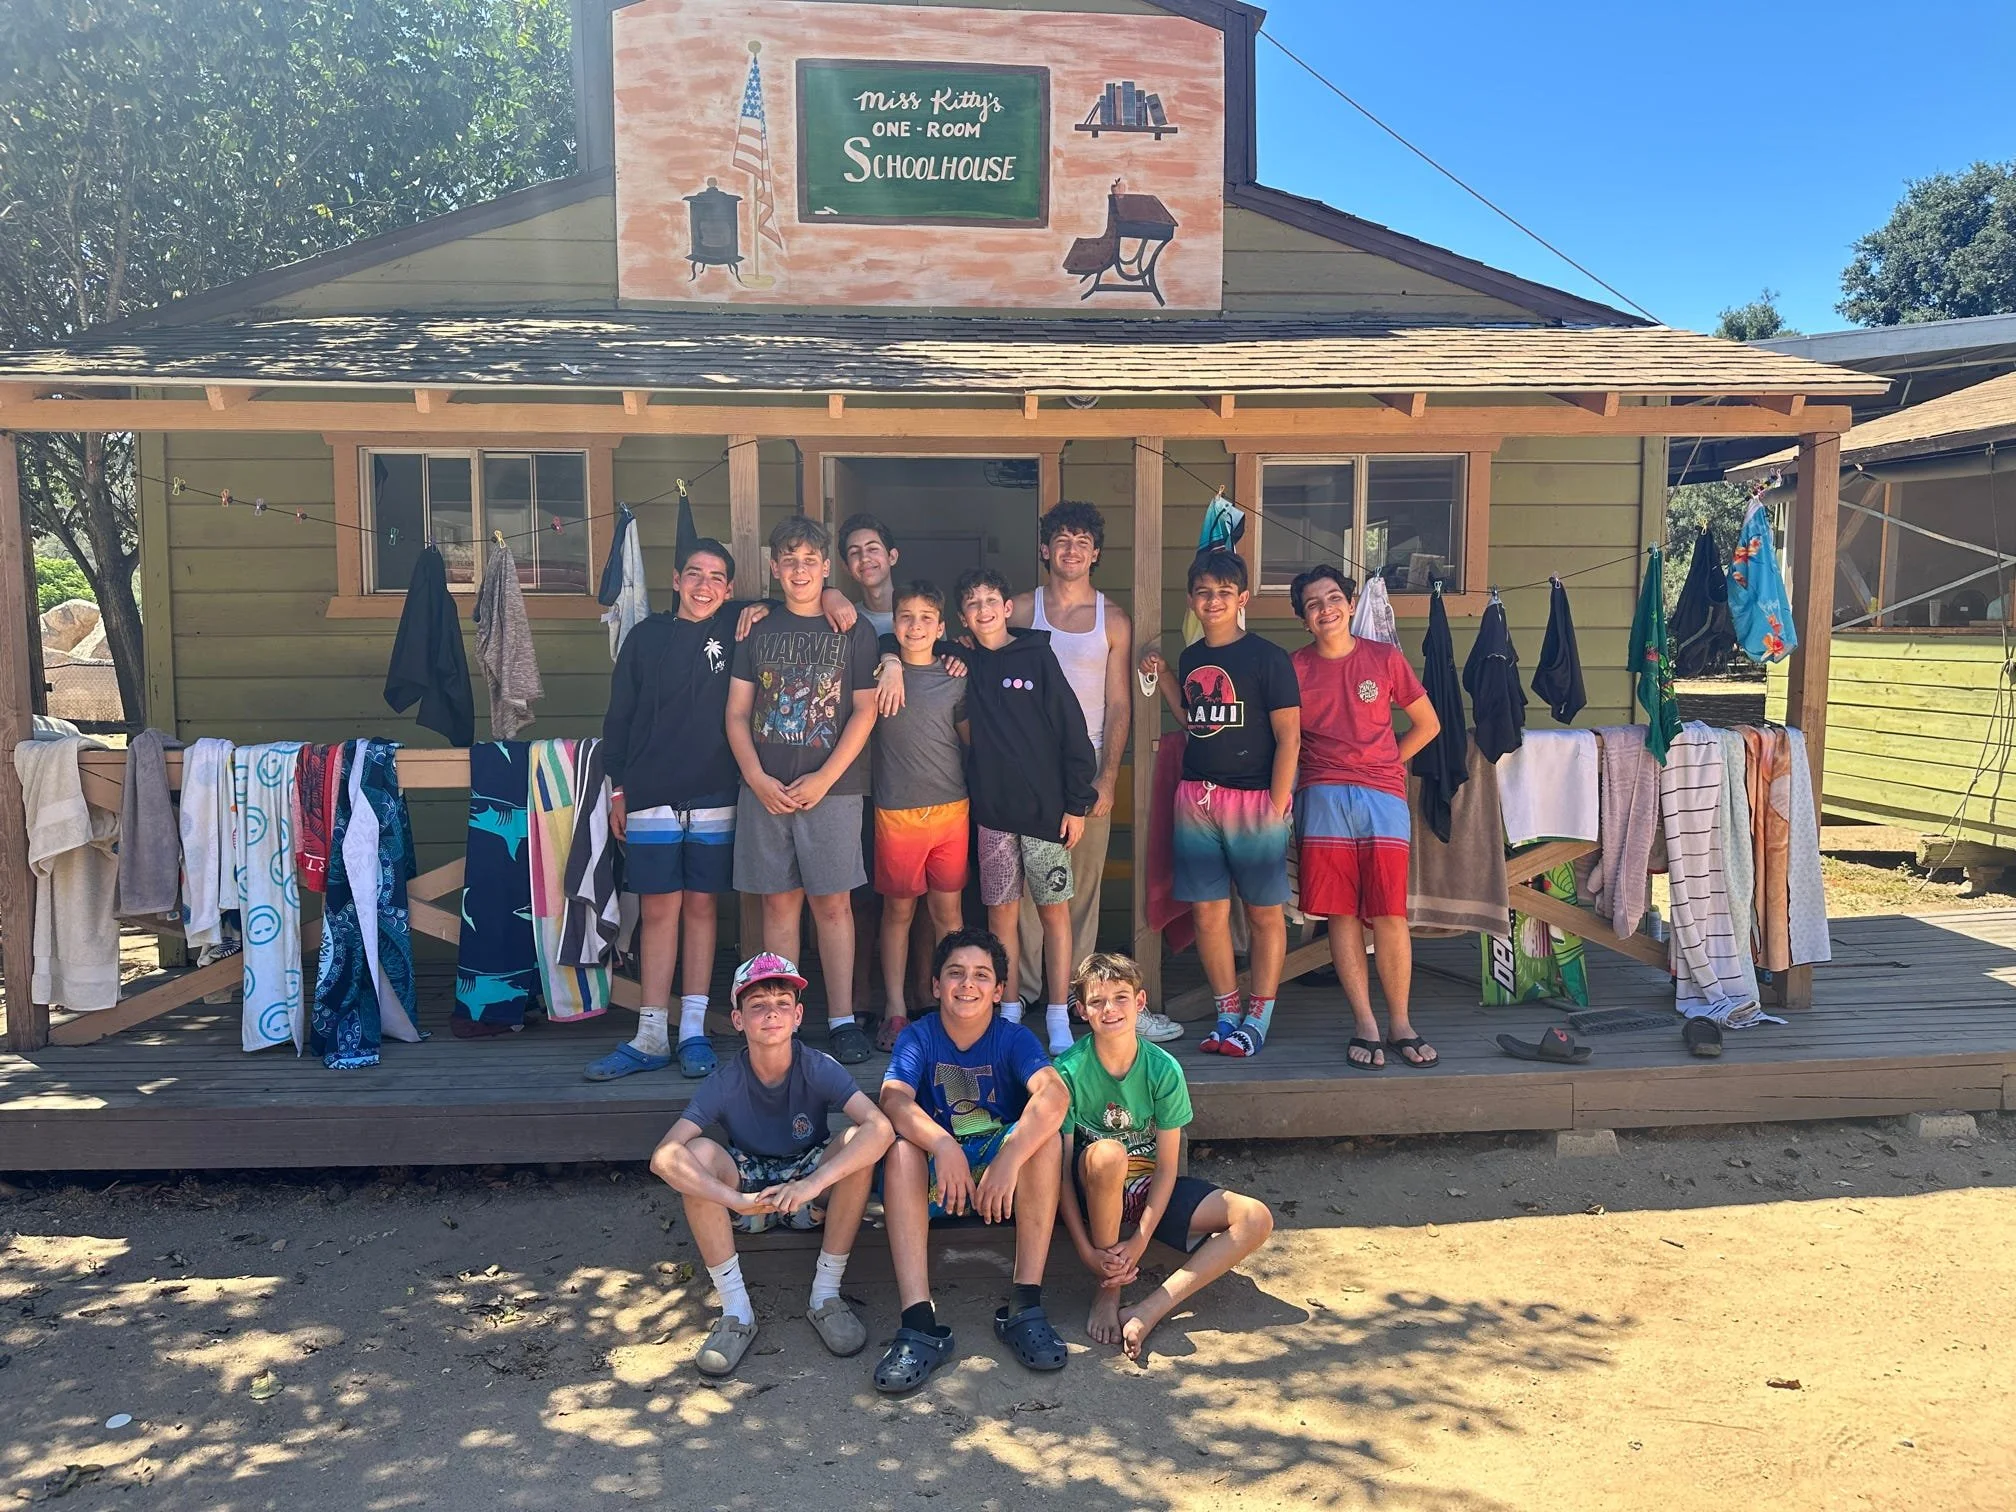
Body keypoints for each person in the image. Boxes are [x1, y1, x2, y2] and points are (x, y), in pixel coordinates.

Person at [587, 537, 853, 1082]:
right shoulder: (645, 638)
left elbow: (795, 598)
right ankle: (650, 1033)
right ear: (676, 579)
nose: (704, 585)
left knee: (704, 910)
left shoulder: (742, 625)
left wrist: (832, 596)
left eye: (716, 578)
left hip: (716, 793)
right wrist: (618, 789)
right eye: (693, 574)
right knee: (659, 911)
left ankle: (692, 1030)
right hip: (650, 792)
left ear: (730, 588)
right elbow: (619, 719)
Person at [647, 953, 895, 1377]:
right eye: (758, 1005)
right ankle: (736, 1312)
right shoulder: (725, 1080)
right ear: (738, 1020)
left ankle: (826, 1296)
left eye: (782, 1004)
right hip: (751, 1191)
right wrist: (735, 1199)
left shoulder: (818, 1065)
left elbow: (882, 1129)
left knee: (858, 1142)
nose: (771, 1015)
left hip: (809, 1190)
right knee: (699, 1154)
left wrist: (814, 1183)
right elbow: (664, 1156)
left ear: (798, 1016)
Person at [874, 927, 1071, 1395]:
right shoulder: (919, 1037)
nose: (968, 984)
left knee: (1045, 1141)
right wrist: (942, 1145)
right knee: (902, 1152)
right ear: (936, 985)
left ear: (999, 990)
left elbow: (1055, 1094)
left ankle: (1025, 1305)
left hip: (994, 1179)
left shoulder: (1013, 1038)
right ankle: (919, 1322)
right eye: (955, 974)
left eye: (982, 975)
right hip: (940, 1175)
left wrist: (1010, 1156)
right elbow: (893, 1099)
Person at [1054, 952, 1275, 1359]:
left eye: (1121, 998)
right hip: (1096, 1190)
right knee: (1107, 1154)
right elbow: (1061, 1172)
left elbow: (1168, 1165)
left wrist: (1139, 1240)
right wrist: (1086, 1250)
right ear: (1082, 1010)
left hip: (1149, 1188)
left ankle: (1150, 1308)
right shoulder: (1068, 1071)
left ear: (1139, 1004)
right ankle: (1109, 1291)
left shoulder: (1163, 1068)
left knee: (1255, 1217)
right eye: (1098, 1001)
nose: (1110, 1009)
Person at [726, 516, 882, 1065]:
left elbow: (865, 711)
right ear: (774, 567)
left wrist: (825, 777)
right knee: (778, 904)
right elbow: (737, 713)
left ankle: (841, 1019)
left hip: (833, 791)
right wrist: (756, 778)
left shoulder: (853, 629)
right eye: (789, 560)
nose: (799, 570)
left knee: (834, 905)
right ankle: (781, 1017)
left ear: (826, 568)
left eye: (810, 561)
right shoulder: (756, 630)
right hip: (766, 789)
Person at [1009, 503, 1167, 1039]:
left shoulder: (1112, 619)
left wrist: (1107, 777)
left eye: (1082, 541)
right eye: (1061, 539)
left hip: (1085, 773)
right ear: (1044, 549)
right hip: (1025, 773)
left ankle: (1076, 992)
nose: (1071, 549)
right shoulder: (1018, 609)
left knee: (1079, 885)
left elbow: (1120, 705)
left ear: (1095, 554)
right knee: (1026, 887)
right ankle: (1029, 991)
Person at [1138, 549, 1301, 1057]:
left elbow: (1289, 736)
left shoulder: (1267, 657)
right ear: (1192, 600)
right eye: (1204, 592)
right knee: (1208, 913)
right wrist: (1164, 673)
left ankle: (1260, 1015)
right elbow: (1194, 720)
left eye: (1224, 593)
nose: (1214, 601)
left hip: (1255, 801)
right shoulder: (1191, 658)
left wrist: (1276, 805)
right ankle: (1227, 1012)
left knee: (1263, 914)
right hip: (1198, 797)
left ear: (1242, 599)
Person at [1289, 565, 1442, 1069]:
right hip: (1322, 794)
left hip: (1382, 797)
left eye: (1334, 598)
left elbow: (1428, 723)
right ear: (1304, 619)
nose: (1326, 608)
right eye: (1313, 604)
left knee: (1389, 912)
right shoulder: (1294, 669)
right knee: (1339, 912)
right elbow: (1283, 737)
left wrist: (1386, 763)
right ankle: (1365, 1023)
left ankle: (1401, 1021)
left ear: (1351, 605)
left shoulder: (1384, 657)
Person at [955, 568, 1095, 1055]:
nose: (983, 609)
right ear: (963, 618)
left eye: (991, 599)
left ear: (1007, 606)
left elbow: (1073, 731)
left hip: (1045, 816)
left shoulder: (1037, 656)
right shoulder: (965, 660)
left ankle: (1058, 1013)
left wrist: (1077, 805)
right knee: (1002, 918)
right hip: (993, 817)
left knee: (1056, 916)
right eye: (972, 604)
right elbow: (907, 642)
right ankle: (1009, 1010)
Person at [870, 581, 968, 1051]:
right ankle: (894, 1009)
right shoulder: (876, 673)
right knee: (898, 911)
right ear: (894, 623)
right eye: (905, 616)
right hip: (896, 813)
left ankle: (955, 1005)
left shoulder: (956, 673)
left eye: (926, 617)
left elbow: (970, 740)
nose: (915, 625)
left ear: (941, 627)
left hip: (952, 808)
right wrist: (888, 661)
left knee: (948, 913)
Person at [838, 512, 901, 636]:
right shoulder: (845, 620)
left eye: (872, 549)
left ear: (892, 557)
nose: (864, 558)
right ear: (846, 567)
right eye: (854, 552)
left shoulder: (921, 615)